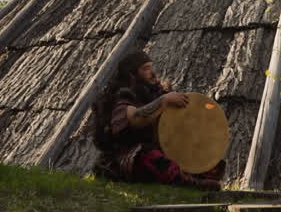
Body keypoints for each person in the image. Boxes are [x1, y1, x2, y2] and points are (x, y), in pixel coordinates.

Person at [91, 50, 222, 189]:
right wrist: (164, 100)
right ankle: (187, 182)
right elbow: (136, 118)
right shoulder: (120, 97)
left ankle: (188, 177)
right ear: (131, 74)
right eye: (146, 68)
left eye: (151, 67)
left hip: (161, 151)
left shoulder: (156, 93)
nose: (153, 73)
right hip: (127, 159)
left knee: (209, 162)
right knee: (149, 155)